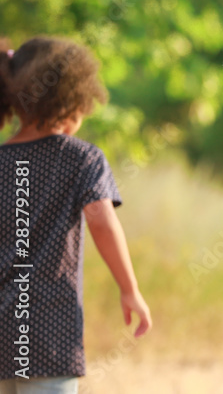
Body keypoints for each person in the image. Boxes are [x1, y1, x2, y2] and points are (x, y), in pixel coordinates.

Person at [0, 37, 152, 393]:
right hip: (49, 331)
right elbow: (101, 220)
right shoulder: (82, 158)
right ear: (74, 99)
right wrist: (130, 290)